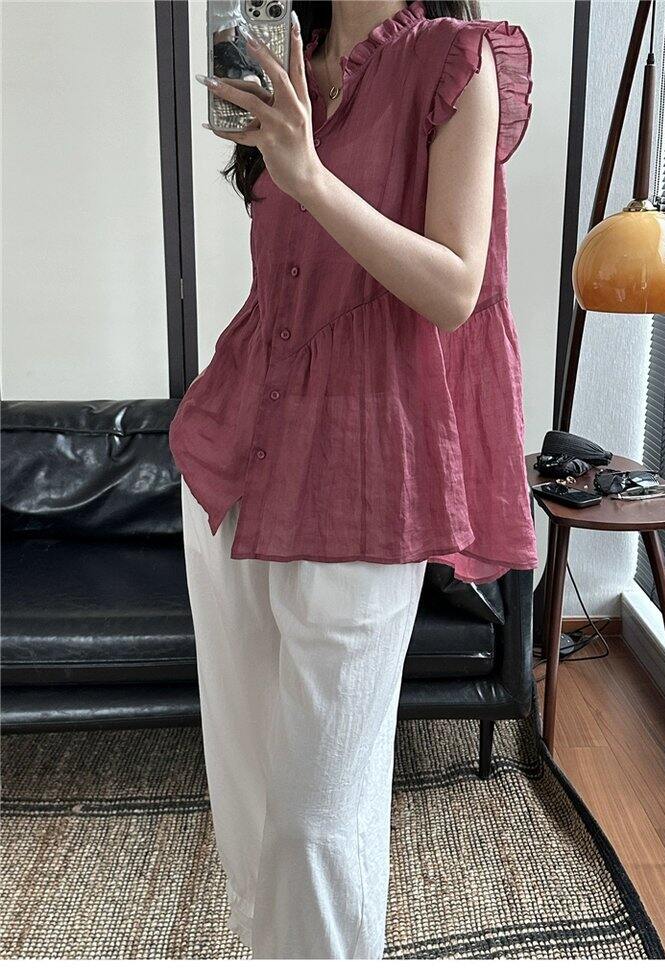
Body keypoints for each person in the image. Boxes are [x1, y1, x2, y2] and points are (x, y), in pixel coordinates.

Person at [169, 0, 537, 958]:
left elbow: (455, 287)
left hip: (366, 477)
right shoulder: (287, 50)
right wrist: (277, 149)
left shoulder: (456, 62)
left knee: (316, 825)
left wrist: (309, 176)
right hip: (231, 464)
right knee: (248, 804)